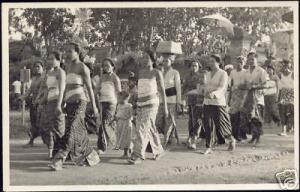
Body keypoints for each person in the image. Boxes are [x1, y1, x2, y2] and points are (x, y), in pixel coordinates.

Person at [49, 42, 100, 171]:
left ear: (77, 52)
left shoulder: (83, 67)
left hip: (81, 102)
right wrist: (61, 103)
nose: (67, 53)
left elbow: (89, 88)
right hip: (69, 104)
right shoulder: (67, 67)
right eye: (66, 51)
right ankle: (91, 155)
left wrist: (94, 106)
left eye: (70, 51)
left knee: (72, 128)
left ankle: (59, 160)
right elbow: (65, 88)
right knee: (78, 131)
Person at [128, 50, 167, 164]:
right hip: (140, 104)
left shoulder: (156, 72)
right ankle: (159, 150)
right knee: (149, 128)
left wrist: (164, 107)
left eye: (147, 58)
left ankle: (138, 155)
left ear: (152, 59)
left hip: (152, 104)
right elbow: (137, 90)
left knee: (141, 129)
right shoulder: (140, 72)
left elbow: (162, 91)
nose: (144, 60)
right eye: (143, 58)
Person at [202, 54, 236, 155]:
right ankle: (208, 146)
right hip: (207, 102)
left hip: (218, 102)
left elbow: (222, 88)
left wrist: (214, 94)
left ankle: (231, 139)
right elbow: (206, 86)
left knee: (222, 125)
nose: (211, 63)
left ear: (218, 62)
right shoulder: (207, 74)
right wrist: (203, 92)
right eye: (210, 61)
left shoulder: (223, 73)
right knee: (207, 124)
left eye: (213, 61)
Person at [38, 52, 66, 159]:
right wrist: (40, 101)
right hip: (49, 101)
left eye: (52, 59)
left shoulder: (61, 72)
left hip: (57, 101)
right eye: (48, 59)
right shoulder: (49, 73)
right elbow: (46, 89)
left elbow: (62, 90)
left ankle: (57, 151)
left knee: (57, 128)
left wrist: (59, 105)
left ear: (59, 60)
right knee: (45, 127)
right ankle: (51, 149)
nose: (50, 61)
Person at [95, 57, 122, 154]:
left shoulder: (115, 77)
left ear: (112, 66)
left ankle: (102, 147)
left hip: (111, 103)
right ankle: (109, 142)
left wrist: (119, 106)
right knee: (103, 124)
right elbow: (96, 90)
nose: (105, 67)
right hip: (102, 102)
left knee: (105, 123)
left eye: (107, 65)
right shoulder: (101, 77)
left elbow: (119, 92)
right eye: (104, 66)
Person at [241, 52, 268, 145]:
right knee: (249, 117)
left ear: (256, 59)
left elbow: (265, 84)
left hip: (257, 97)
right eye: (249, 59)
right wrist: (244, 86)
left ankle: (258, 138)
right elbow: (244, 83)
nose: (251, 61)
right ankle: (253, 136)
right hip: (248, 97)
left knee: (257, 117)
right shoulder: (246, 71)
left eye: (252, 59)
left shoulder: (261, 71)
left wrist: (255, 86)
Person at [156, 52, 181, 147]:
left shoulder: (175, 72)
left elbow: (178, 88)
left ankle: (166, 141)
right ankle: (170, 137)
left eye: (167, 60)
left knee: (169, 121)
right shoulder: (159, 72)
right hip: (160, 100)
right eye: (164, 60)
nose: (165, 62)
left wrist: (178, 102)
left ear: (171, 61)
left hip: (172, 100)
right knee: (158, 121)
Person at [19, 60, 44, 147]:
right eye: (35, 67)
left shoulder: (45, 77)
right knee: (33, 122)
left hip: (42, 103)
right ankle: (31, 141)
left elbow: (44, 91)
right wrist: (23, 97)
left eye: (38, 66)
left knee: (41, 123)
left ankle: (52, 143)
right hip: (34, 103)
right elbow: (30, 90)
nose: (36, 68)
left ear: (42, 68)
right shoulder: (33, 78)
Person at [182, 60, 205, 149]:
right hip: (190, 101)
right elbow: (184, 87)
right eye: (192, 66)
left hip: (199, 101)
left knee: (197, 120)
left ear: (199, 67)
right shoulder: (187, 77)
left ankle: (194, 138)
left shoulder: (201, 76)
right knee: (191, 120)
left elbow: (201, 89)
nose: (194, 67)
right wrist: (183, 98)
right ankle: (190, 136)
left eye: (196, 66)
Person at [228, 56, 248, 142]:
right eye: (238, 61)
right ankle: (233, 134)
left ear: (244, 63)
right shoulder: (232, 72)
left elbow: (248, 85)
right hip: (234, 95)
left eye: (242, 62)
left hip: (243, 95)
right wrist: (229, 97)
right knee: (233, 115)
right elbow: (231, 85)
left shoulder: (246, 72)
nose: (240, 63)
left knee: (241, 116)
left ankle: (241, 135)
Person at [277, 60, 294, 136]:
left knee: (290, 110)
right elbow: (280, 88)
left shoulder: (293, 74)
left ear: (289, 66)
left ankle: (291, 126)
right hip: (283, 94)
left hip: (292, 94)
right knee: (282, 111)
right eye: (283, 66)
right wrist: (278, 98)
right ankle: (283, 130)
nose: (285, 67)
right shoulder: (280, 75)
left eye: (286, 65)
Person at [115, 91, 133, 158]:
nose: (117, 100)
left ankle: (127, 153)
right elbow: (117, 114)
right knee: (122, 138)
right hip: (120, 124)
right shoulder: (118, 105)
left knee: (127, 138)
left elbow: (131, 115)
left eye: (119, 98)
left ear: (125, 98)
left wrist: (130, 121)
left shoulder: (129, 106)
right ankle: (127, 151)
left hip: (126, 124)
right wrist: (114, 120)